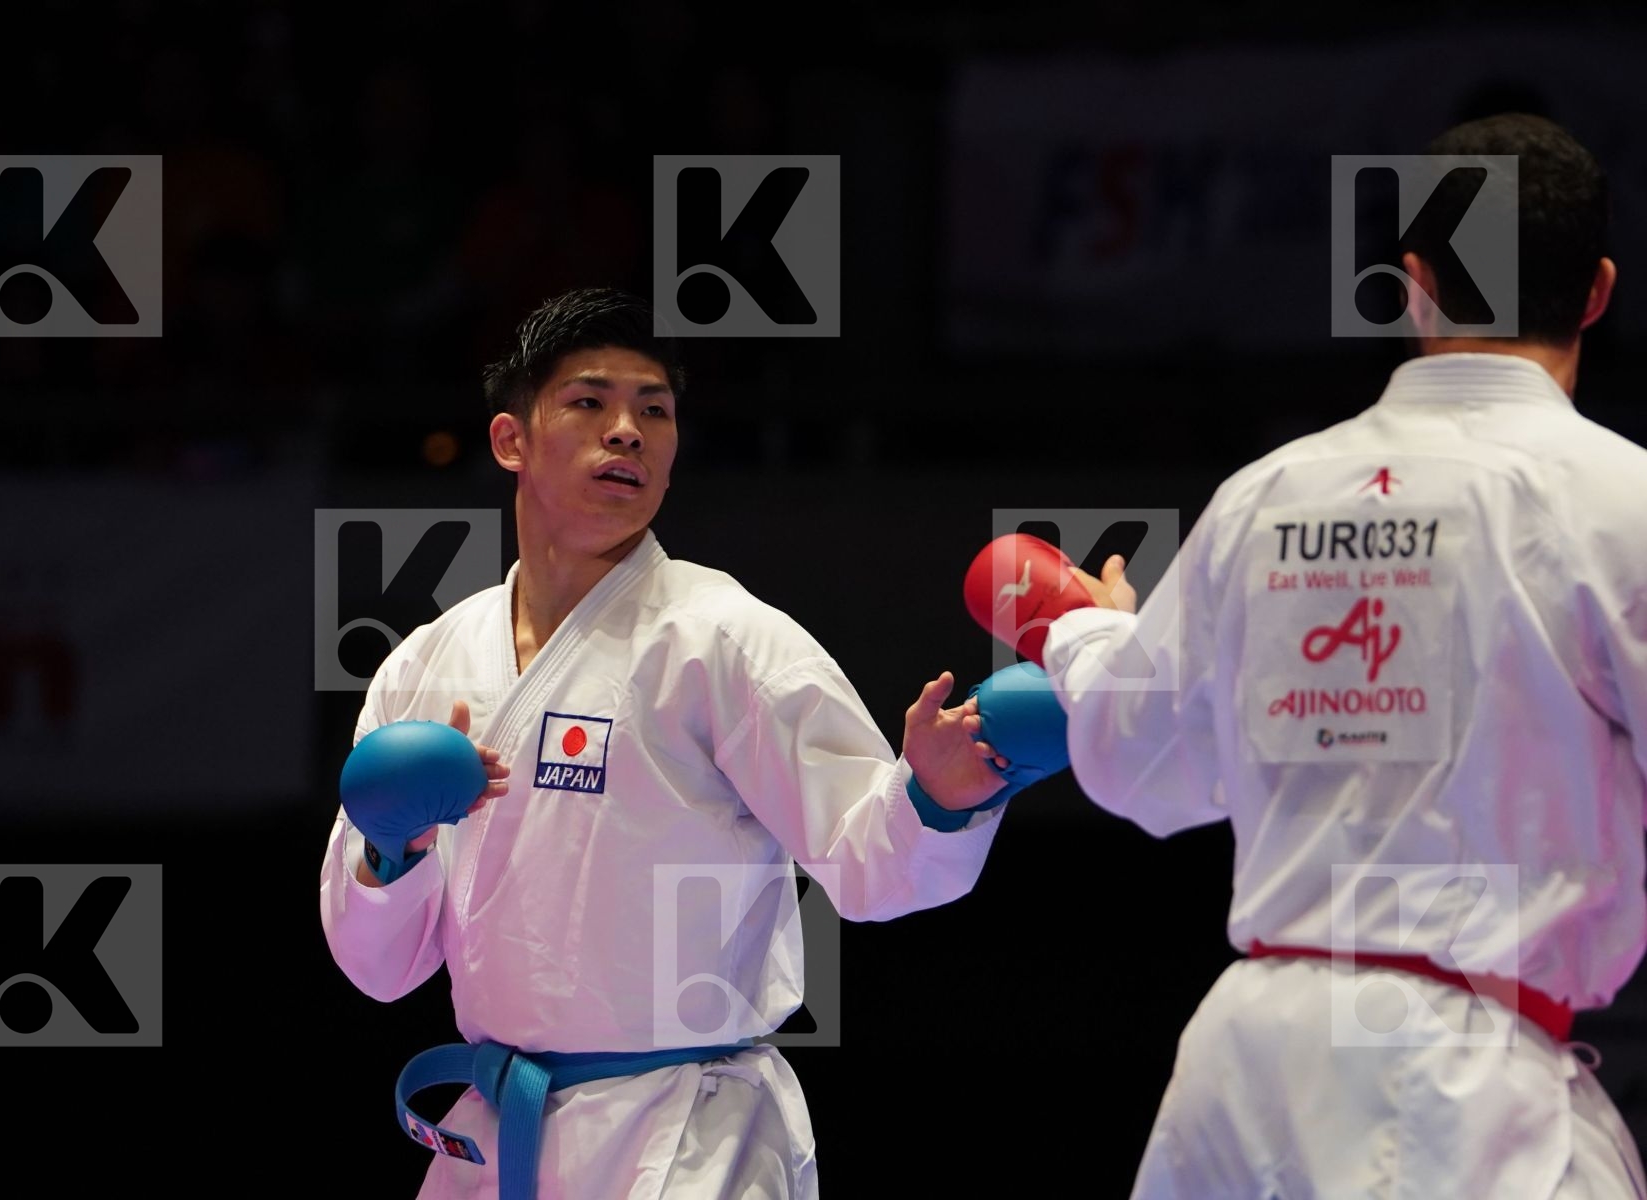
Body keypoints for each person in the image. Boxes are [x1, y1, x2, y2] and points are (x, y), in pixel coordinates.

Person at [1030, 112, 1646, 1198]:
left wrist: (1085, 634)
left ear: (1413, 282)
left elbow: (1140, 772)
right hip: (1455, 1085)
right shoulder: (1618, 501)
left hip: (1237, 1071)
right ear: (1597, 291)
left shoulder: (1267, 493)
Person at [319, 287, 1014, 1199]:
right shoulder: (425, 668)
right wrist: (392, 845)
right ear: (509, 441)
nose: (629, 431)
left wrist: (935, 797)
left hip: (690, 1140)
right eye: (590, 402)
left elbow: (868, 866)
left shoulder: (723, 638)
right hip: (496, 1136)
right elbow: (377, 969)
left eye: (654, 409)